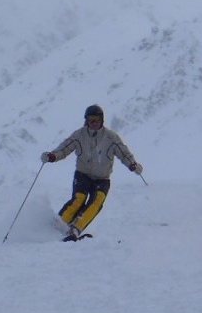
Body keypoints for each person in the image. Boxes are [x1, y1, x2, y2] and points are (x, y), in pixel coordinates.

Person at [41, 104, 143, 242]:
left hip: (102, 178)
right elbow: (64, 148)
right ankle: (59, 224)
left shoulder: (111, 137)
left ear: (102, 120)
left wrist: (132, 164)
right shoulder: (79, 135)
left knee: (96, 201)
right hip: (83, 174)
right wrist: (52, 156)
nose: (93, 123)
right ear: (86, 121)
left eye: (96, 120)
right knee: (79, 199)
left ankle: (75, 229)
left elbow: (123, 153)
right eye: (90, 120)